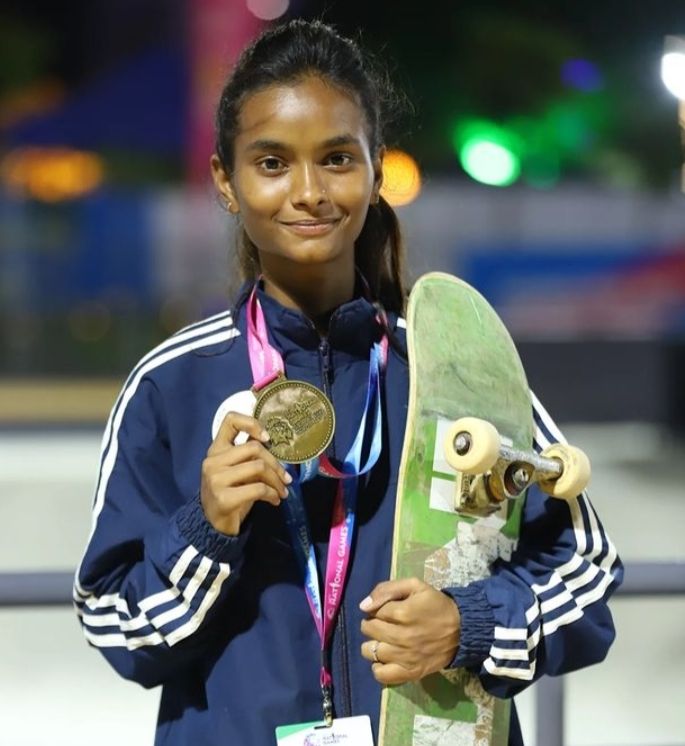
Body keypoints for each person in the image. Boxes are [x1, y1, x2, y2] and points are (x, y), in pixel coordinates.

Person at [73, 19, 623, 746]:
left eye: (336, 158)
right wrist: (205, 530)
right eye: (272, 163)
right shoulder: (171, 386)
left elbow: (586, 571)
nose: (307, 192)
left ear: (374, 168)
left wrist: (471, 622)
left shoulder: (454, 368)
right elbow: (118, 629)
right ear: (225, 182)